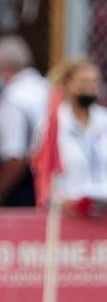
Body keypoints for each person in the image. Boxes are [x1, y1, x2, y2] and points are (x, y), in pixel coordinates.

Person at [0, 36, 48, 208]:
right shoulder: (46, 88)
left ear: (1, 67)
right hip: (45, 186)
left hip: (21, 191)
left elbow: (15, 156)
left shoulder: (12, 100)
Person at [45, 58, 107, 203]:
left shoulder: (103, 120)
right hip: (69, 208)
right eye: (83, 82)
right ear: (67, 84)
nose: (90, 88)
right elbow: (46, 169)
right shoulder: (53, 124)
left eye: (94, 82)